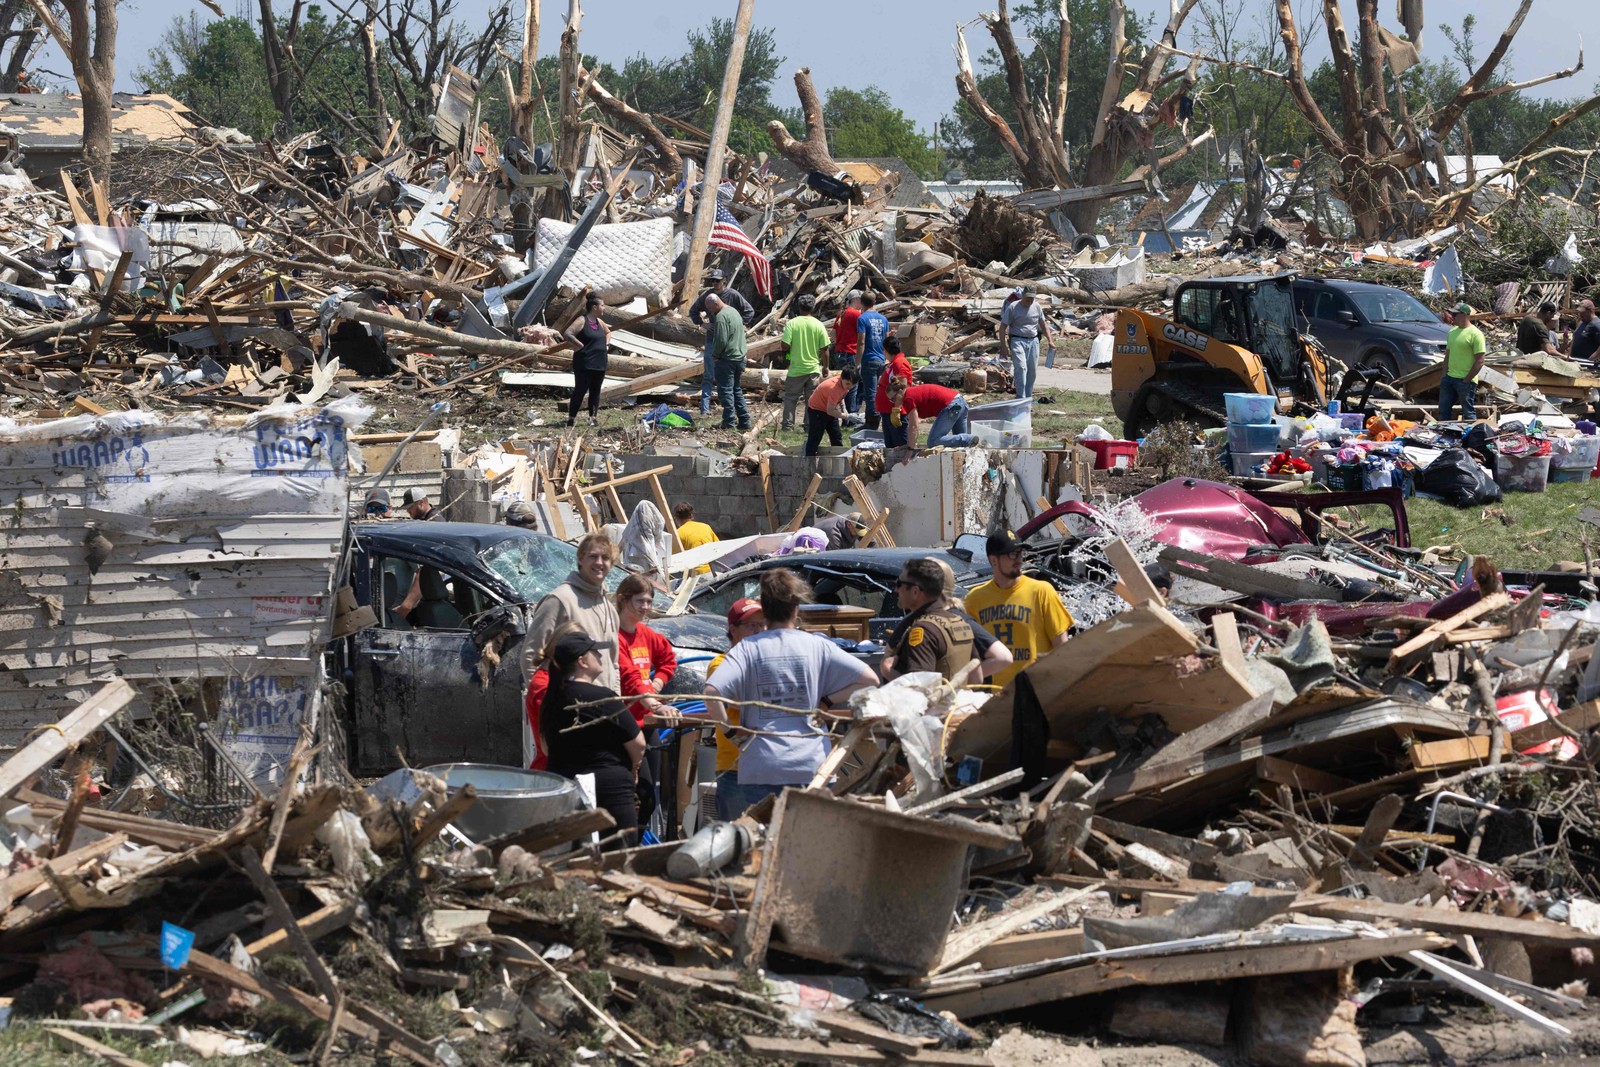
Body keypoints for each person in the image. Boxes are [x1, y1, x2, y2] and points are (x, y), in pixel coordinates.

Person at [704, 570, 879, 809]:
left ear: (765, 611)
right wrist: (826, 700)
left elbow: (712, 692)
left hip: (760, 766)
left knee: (754, 843)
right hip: (810, 766)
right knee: (804, 843)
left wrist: (730, 731)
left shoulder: (747, 649)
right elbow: (870, 679)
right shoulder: (817, 645)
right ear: (796, 608)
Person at [522, 533, 658, 765]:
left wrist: (613, 701)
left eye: (606, 558)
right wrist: (548, 707)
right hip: (568, 712)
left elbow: (613, 662)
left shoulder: (607, 605)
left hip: (601, 710)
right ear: (580, 560)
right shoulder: (560, 600)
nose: (599, 562)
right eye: (593, 556)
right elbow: (531, 656)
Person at [540, 631, 646, 843]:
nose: (600, 655)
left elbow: (545, 747)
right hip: (609, 790)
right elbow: (639, 743)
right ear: (582, 661)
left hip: (565, 788)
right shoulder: (602, 697)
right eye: (594, 652)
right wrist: (635, 768)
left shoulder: (551, 699)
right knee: (618, 856)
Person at [962, 530, 1073, 688]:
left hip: (1037, 693)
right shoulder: (974, 599)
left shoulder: (1042, 592)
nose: (1019, 559)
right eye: (1012, 554)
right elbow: (968, 654)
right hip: (997, 699)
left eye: (1020, 553)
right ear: (993, 560)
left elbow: (1062, 648)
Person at [617, 573, 676, 827]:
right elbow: (629, 678)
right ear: (622, 600)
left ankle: (637, 843)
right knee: (632, 795)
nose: (646, 607)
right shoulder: (614, 637)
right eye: (640, 601)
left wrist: (657, 684)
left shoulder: (646, 634)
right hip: (621, 725)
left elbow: (668, 659)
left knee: (649, 797)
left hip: (646, 722)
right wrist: (656, 703)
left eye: (649, 602)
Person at [705, 598, 766, 821]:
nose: (759, 631)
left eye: (762, 625)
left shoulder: (767, 661)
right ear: (733, 630)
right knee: (735, 840)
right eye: (752, 625)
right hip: (735, 769)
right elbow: (740, 697)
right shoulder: (721, 664)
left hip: (768, 767)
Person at [880, 558, 976, 683]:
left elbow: (920, 689)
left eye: (899, 584)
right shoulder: (960, 622)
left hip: (935, 702)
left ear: (915, 591)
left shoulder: (923, 631)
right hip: (962, 701)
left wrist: (888, 671)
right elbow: (976, 675)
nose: (896, 590)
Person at [689, 269, 755, 417]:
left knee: (729, 377)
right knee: (708, 375)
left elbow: (749, 311)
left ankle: (729, 413)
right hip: (713, 338)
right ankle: (705, 410)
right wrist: (702, 323)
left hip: (730, 341)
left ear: (724, 280)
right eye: (712, 280)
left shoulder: (732, 295)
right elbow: (693, 311)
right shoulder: (707, 295)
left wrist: (738, 325)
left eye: (717, 280)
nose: (715, 283)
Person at [779, 294, 830, 431]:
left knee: (790, 399)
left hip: (796, 369)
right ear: (813, 307)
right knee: (811, 401)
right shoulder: (818, 325)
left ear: (799, 307)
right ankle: (809, 426)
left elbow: (784, 345)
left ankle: (788, 427)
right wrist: (825, 367)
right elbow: (825, 349)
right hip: (813, 369)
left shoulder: (792, 323)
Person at [999, 286, 1056, 399]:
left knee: (1032, 371)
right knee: (1021, 367)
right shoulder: (1013, 307)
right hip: (1017, 340)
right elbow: (1002, 327)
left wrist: (1050, 340)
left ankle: (1028, 398)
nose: (1029, 301)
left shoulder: (1037, 306)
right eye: (1027, 298)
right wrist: (1003, 346)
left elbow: (1043, 324)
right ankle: (1021, 397)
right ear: (1023, 295)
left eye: (1032, 299)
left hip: (1033, 341)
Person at [888, 378, 976, 449]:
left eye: (893, 399)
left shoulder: (908, 398)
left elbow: (913, 426)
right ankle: (972, 440)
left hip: (952, 405)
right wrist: (909, 445)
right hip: (960, 402)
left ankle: (969, 439)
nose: (893, 402)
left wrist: (910, 449)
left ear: (900, 392)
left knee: (933, 441)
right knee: (962, 446)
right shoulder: (910, 393)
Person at [707, 293, 752, 431]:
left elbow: (721, 340)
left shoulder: (721, 317)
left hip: (727, 359)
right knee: (736, 390)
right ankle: (744, 420)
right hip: (739, 357)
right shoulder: (734, 312)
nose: (710, 311)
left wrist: (715, 354)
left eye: (710, 308)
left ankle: (729, 421)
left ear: (716, 304)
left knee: (726, 391)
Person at [563, 293, 610, 427]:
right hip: (585, 363)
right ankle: (571, 418)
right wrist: (578, 345)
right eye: (602, 306)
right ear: (594, 307)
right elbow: (568, 333)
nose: (604, 308)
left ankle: (592, 418)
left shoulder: (599, 322)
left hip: (600, 363)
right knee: (580, 390)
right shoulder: (582, 320)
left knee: (596, 391)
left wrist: (606, 344)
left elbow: (608, 332)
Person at [1441, 302, 1485, 422]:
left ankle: (1472, 437)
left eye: (1455, 314)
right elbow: (1448, 355)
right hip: (1449, 378)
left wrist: (1467, 379)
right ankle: (1444, 436)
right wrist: (1444, 374)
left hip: (1465, 381)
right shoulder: (1452, 332)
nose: (1453, 317)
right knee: (1443, 410)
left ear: (1465, 314)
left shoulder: (1476, 334)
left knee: (1468, 412)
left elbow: (1480, 360)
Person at [804, 364, 858, 457]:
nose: (850, 387)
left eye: (852, 385)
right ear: (841, 378)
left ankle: (839, 457)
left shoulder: (844, 384)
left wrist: (843, 408)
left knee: (836, 435)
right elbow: (830, 411)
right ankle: (809, 458)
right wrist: (847, 416)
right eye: (848, 384)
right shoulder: (834, 388)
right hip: (817, 409)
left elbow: (841, 395)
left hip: (829, 407)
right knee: (815, 436)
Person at [854, 294, 891, 426]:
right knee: (881, 391)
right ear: (875, 302)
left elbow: (861, 342)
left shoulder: (862, 319)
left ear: (861, 302)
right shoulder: (883, 319)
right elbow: (887, 341)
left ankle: (872, 422)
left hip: (869, 359)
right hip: (881, 359)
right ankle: (876, 417)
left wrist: (857, 363)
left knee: (870, 392)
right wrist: (887, 359)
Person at [874, 335, 915, 448]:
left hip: (895, 412)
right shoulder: (893, 363)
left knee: (899, 446)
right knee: (890, 447)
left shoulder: (900, 363)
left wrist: (897, 409)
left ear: (886, 350)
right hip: (887, 411)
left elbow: (902, 387)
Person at [672, 502, 719, 576]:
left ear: (676, 518)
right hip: (712, 571)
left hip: (695, 575)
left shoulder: (678, 533)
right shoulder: (706, 527)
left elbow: (673, 559)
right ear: (691, 515)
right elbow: (717, 547)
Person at [833, 290, 863, 379]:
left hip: (839, 352)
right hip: (851, 353)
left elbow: (833, 333)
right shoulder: (856, 314)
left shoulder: (841, 314)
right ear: (855, 300)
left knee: (842, 382)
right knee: (852, 383)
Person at [1573, 299, 1600, 364]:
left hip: (1588, 367)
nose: (1580, 314)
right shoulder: (1581, 322)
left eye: (1583, 312)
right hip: (1576, 364)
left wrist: (1590, 359)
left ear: (1591, 311)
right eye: (1579, 312)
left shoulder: (1597, 324)